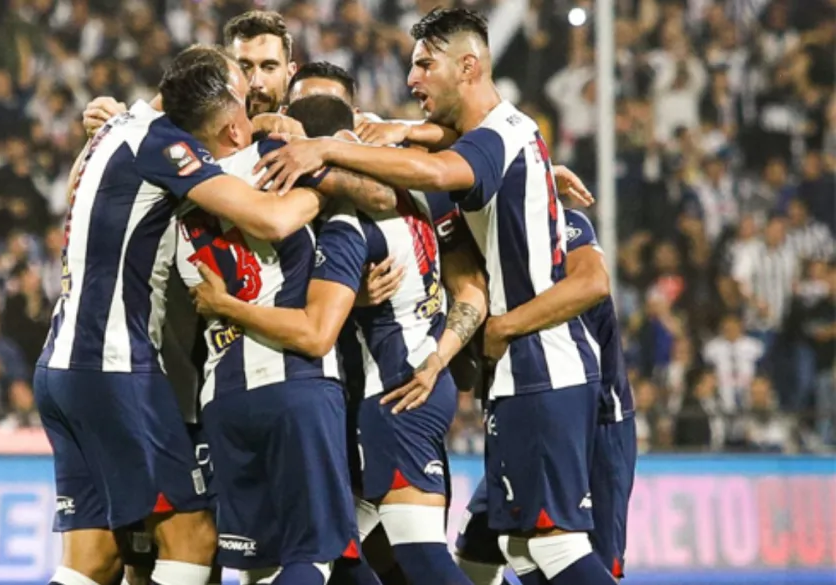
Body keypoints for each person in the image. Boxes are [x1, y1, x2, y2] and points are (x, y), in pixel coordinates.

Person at [251, 8, 613, 585]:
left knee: (550, 547)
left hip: (536, 369)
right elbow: (446, 149)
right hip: (521, 372)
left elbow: (443, 171)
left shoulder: (480, 150)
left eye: (424, 64)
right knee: (516, 551)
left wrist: (329, 151)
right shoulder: (517, 129)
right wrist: (401, 130)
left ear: (468, 65)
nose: (412, 79)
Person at [35, 44, 337, 585]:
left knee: (94, 559)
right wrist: (322, 188)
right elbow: (269, 220)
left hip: (61, 367)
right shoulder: (161, 144)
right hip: (114, 363)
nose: (248, 102)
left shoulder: (117, 128)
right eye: (240, 93)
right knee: (192, 536)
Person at [192, 94, 487, 585]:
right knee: (344, 551)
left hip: (392, 392)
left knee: (421, 558)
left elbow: (316, 329)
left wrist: (227, 307)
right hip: (416, 378)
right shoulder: (417, 193)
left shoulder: (348, 227)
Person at [457, 209, 637, 584]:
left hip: (594, 421)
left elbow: (593, 283)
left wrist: (502, 327)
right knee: (484, 549)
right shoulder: (477, 239)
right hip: (520, 414)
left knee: (564, 553)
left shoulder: (559, 226)